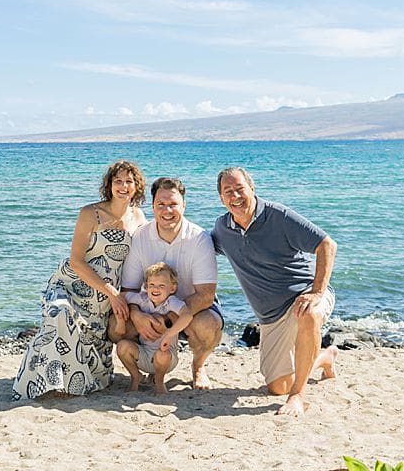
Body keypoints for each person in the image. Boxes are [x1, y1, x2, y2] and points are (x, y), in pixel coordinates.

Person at [11, 160, 147, 400]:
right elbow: (76, 260)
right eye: (118, 181)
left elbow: (144, 257)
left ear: (137, 187)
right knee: (59, 316)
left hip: (103, 300)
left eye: (129, 181)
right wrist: (111, 293)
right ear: (109, 185)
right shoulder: (90, 213)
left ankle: (74, 384)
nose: (123, 186)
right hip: (72, 285)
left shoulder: (138, 216)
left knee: (91, 352)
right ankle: (39, 384)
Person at [211, 166, 338, 416]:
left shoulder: (278, 216)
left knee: (309, 314)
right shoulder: (223, 229)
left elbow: (326, 244)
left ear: (252, 189)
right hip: (270, 317)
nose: (235, 196)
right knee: (277, 386)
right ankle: (325, 357)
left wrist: (317, 292)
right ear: (221, 198)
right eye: (228, 192)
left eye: (240, 189)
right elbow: (197, 244)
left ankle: (299, 396)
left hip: (302, 296)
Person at [108, 176, 223, 389]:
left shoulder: (199, 238)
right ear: (153, 206)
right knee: (116, 326)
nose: (167, 210)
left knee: (209, 326)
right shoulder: (141, 236)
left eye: (173, 204)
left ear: (184, 205)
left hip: (193, 309)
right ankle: (150, 367)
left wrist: (170, 318)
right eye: (161, 204)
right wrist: (138, 315)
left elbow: (206, 295)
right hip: (151, 306)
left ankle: (198, 367)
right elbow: (129, 290)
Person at [115, 262, 194, 395]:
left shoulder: (171, 302)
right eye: (151, 285)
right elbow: (119, 298)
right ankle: (136, 376)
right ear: (146, 286)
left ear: (172, 288)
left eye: (161, 286)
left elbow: (187, 315)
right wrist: (121, 322)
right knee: (122, 346)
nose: (155, 289)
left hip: (167, 358)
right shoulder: (142, 299)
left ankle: (159, 381)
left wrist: (170, 334)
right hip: (143, 354)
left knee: (162, 354)